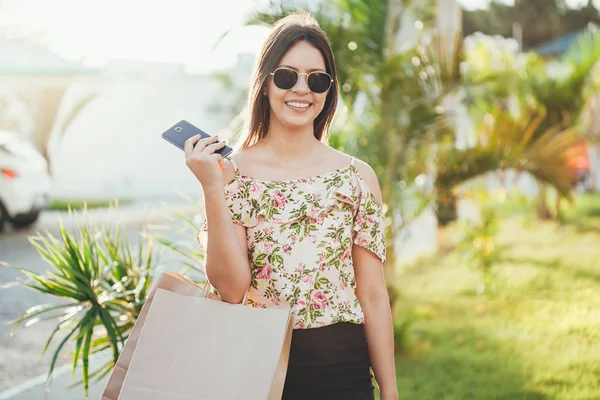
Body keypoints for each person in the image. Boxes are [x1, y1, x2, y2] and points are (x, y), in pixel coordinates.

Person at [185, 10, 398, 400]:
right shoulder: (234, 174)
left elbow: (373, 295)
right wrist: (213, 189)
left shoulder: (357, 177)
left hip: (343, 374)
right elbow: (232, 290)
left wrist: (390, 392)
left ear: (328, 90)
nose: (301, 89)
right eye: (286, 76)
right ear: (265, 84)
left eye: (316, 79)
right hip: (257, 371)